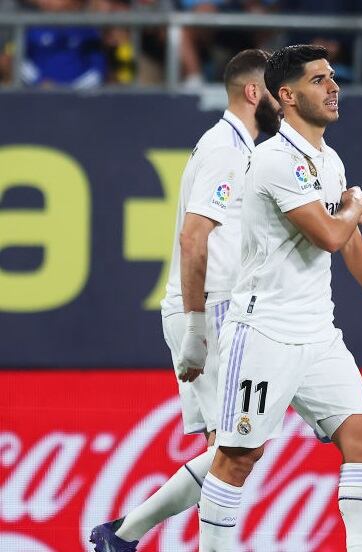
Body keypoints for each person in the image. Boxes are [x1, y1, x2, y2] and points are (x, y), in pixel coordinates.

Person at [196, 44, 362, 552]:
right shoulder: (275, 159)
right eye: (319, 80)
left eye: (333, 77)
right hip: (264, 331)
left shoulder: (329, 160)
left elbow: (352, 239)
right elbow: (331, 234)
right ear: (287, 96)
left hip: (318, 333)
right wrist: (354, 205)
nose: (333, 86)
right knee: (237, 457)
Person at [89, 49, 280, 552]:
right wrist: (198, 325)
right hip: (210, 306)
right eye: (276, 91)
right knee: (242, 446)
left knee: (230, 449)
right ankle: (124, 534)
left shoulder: (236, 148)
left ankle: (121, 537)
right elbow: (194, 238)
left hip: (207, 306)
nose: (285, 102)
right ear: (252, 93)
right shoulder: (225, 149)